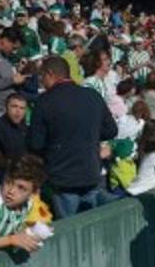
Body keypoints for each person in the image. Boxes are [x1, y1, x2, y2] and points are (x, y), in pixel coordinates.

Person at [27, 56, 117, 219]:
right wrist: (88, 135)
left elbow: (36, 143)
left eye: (42, 77)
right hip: (90, 172)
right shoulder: (92, 95)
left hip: (63, 178)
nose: (41, 82)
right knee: (94, 224)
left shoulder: (44, 101)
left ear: (50, 74)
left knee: (71, 229)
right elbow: (111, 130)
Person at [0, 92, 29, 181]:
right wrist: (19, 165)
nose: (18, 111)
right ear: (6, 108)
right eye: (14, 106)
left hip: (25, 173)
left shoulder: (26, 128)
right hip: (5, 175)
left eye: (22, 108)